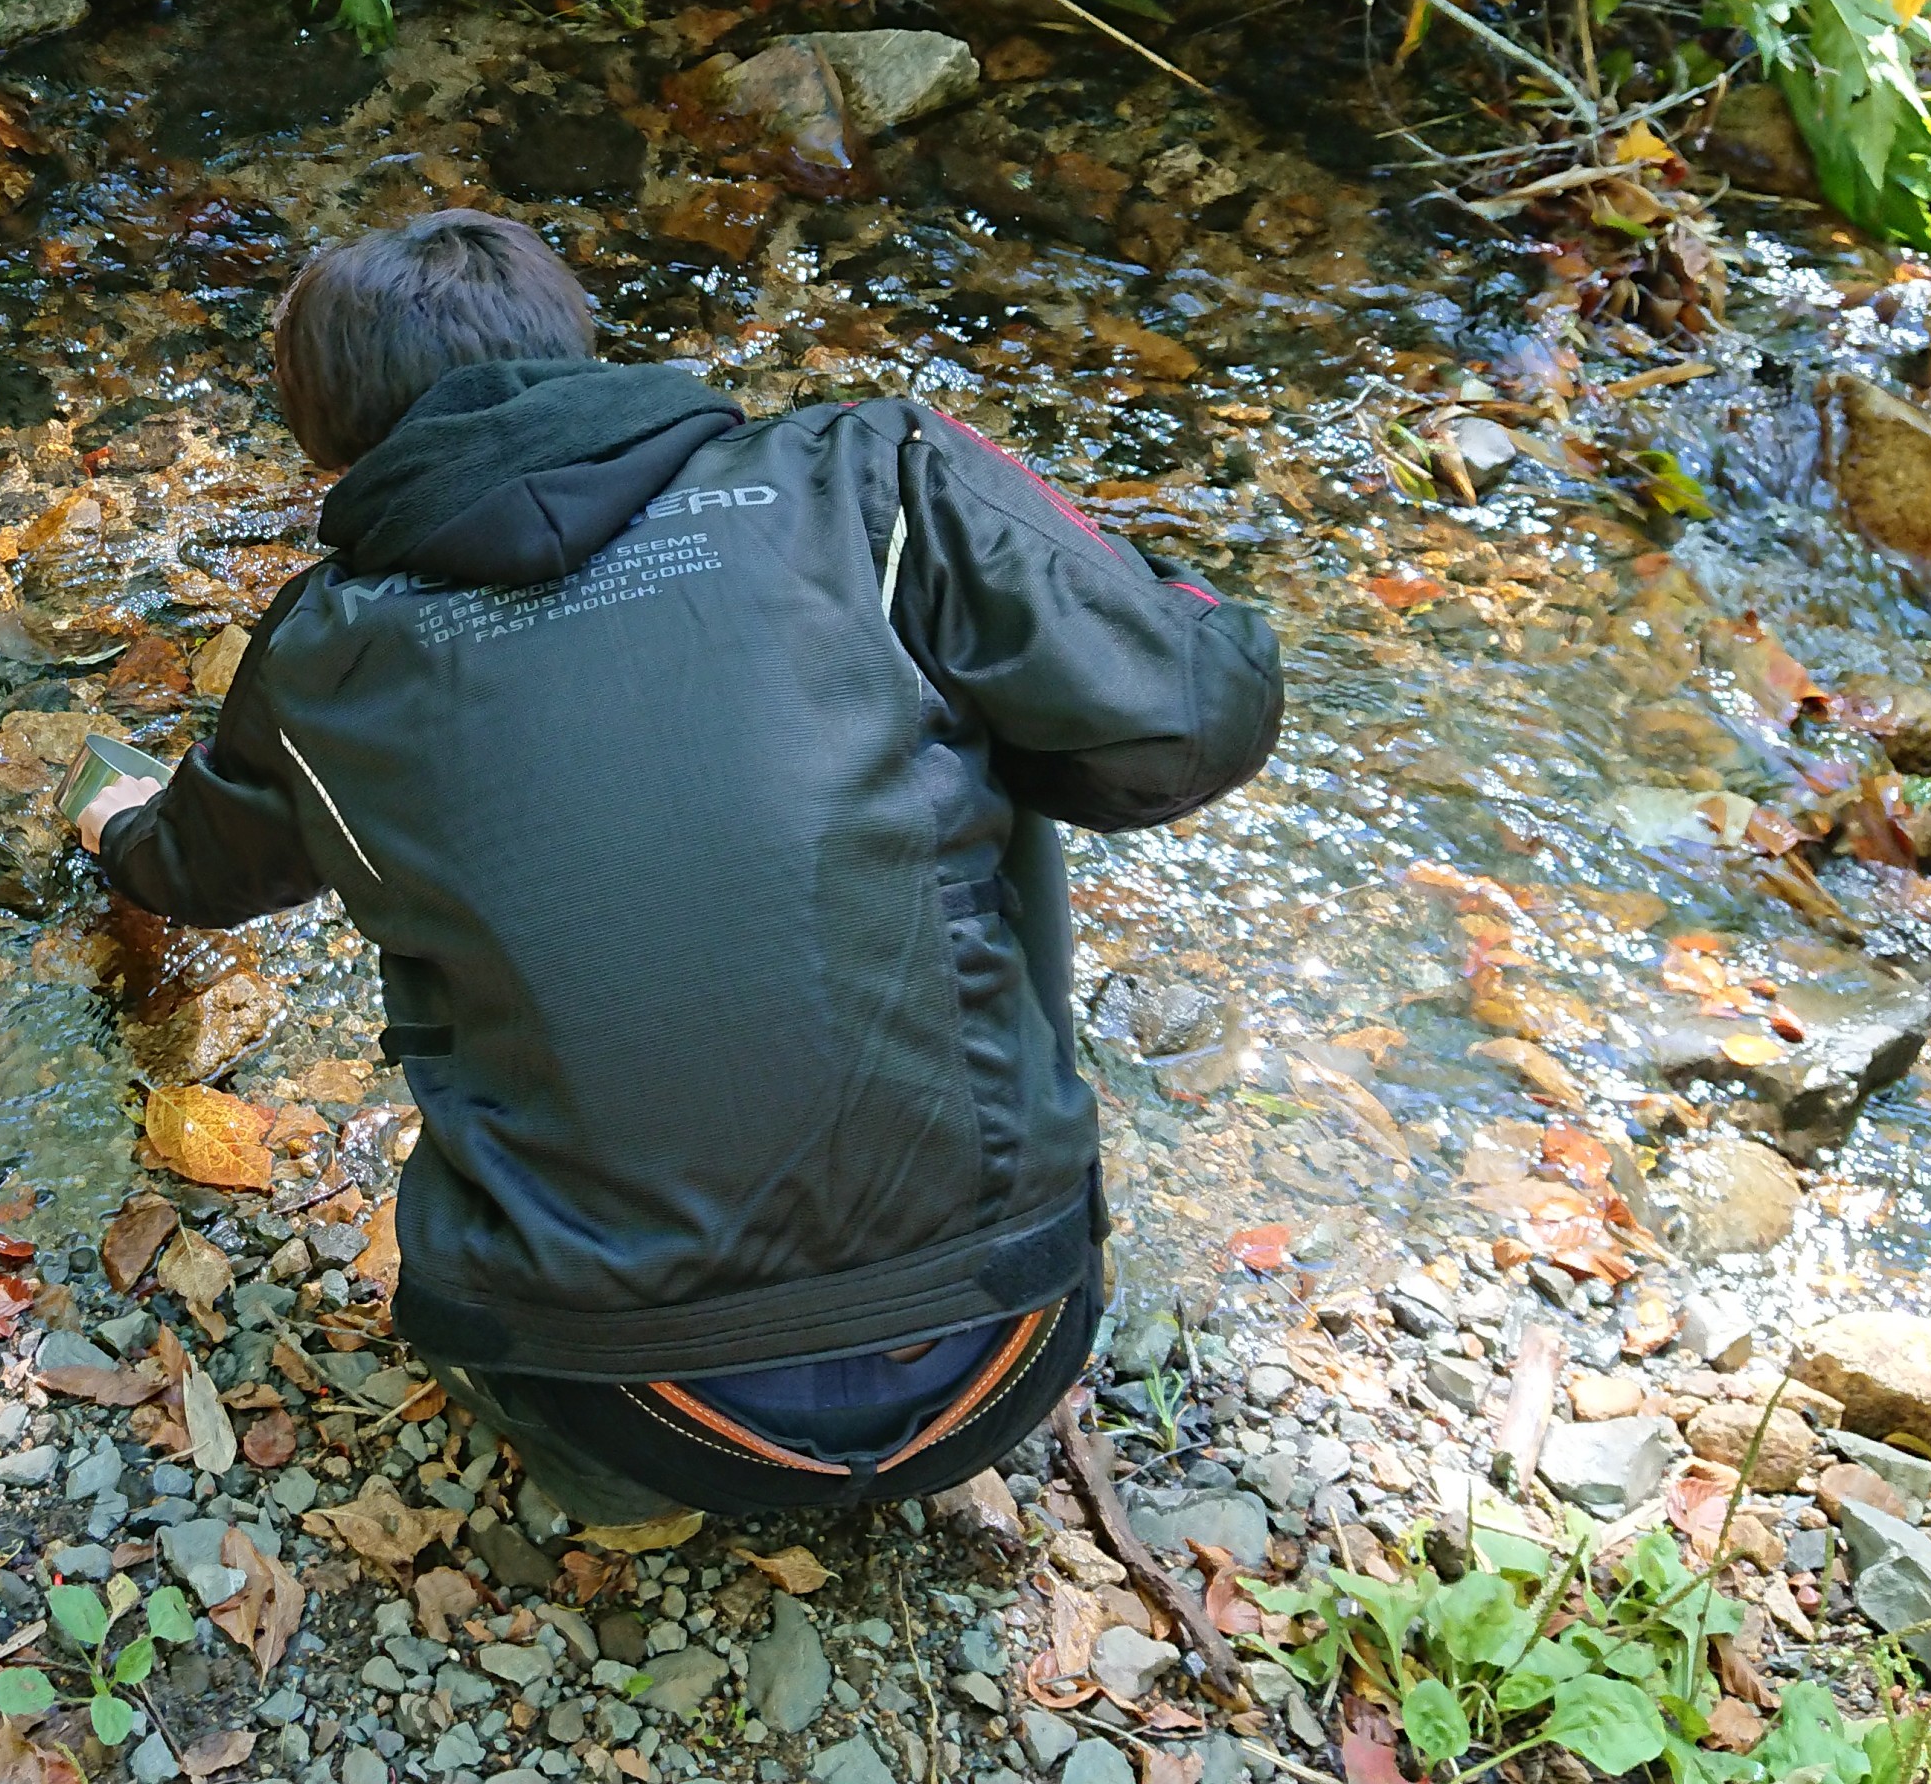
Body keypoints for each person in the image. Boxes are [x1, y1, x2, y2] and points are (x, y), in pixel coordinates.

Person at [76, 208, 1284, 1528]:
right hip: (1011, 1340)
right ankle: (914, 1404)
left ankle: (633, 1489)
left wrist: (118, 826)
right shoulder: (868, 476)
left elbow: (198, 864)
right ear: (581, 345)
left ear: (327, 438)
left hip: (635, 1410)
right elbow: (1194, 713)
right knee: (962, 716)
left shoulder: (326, 655)